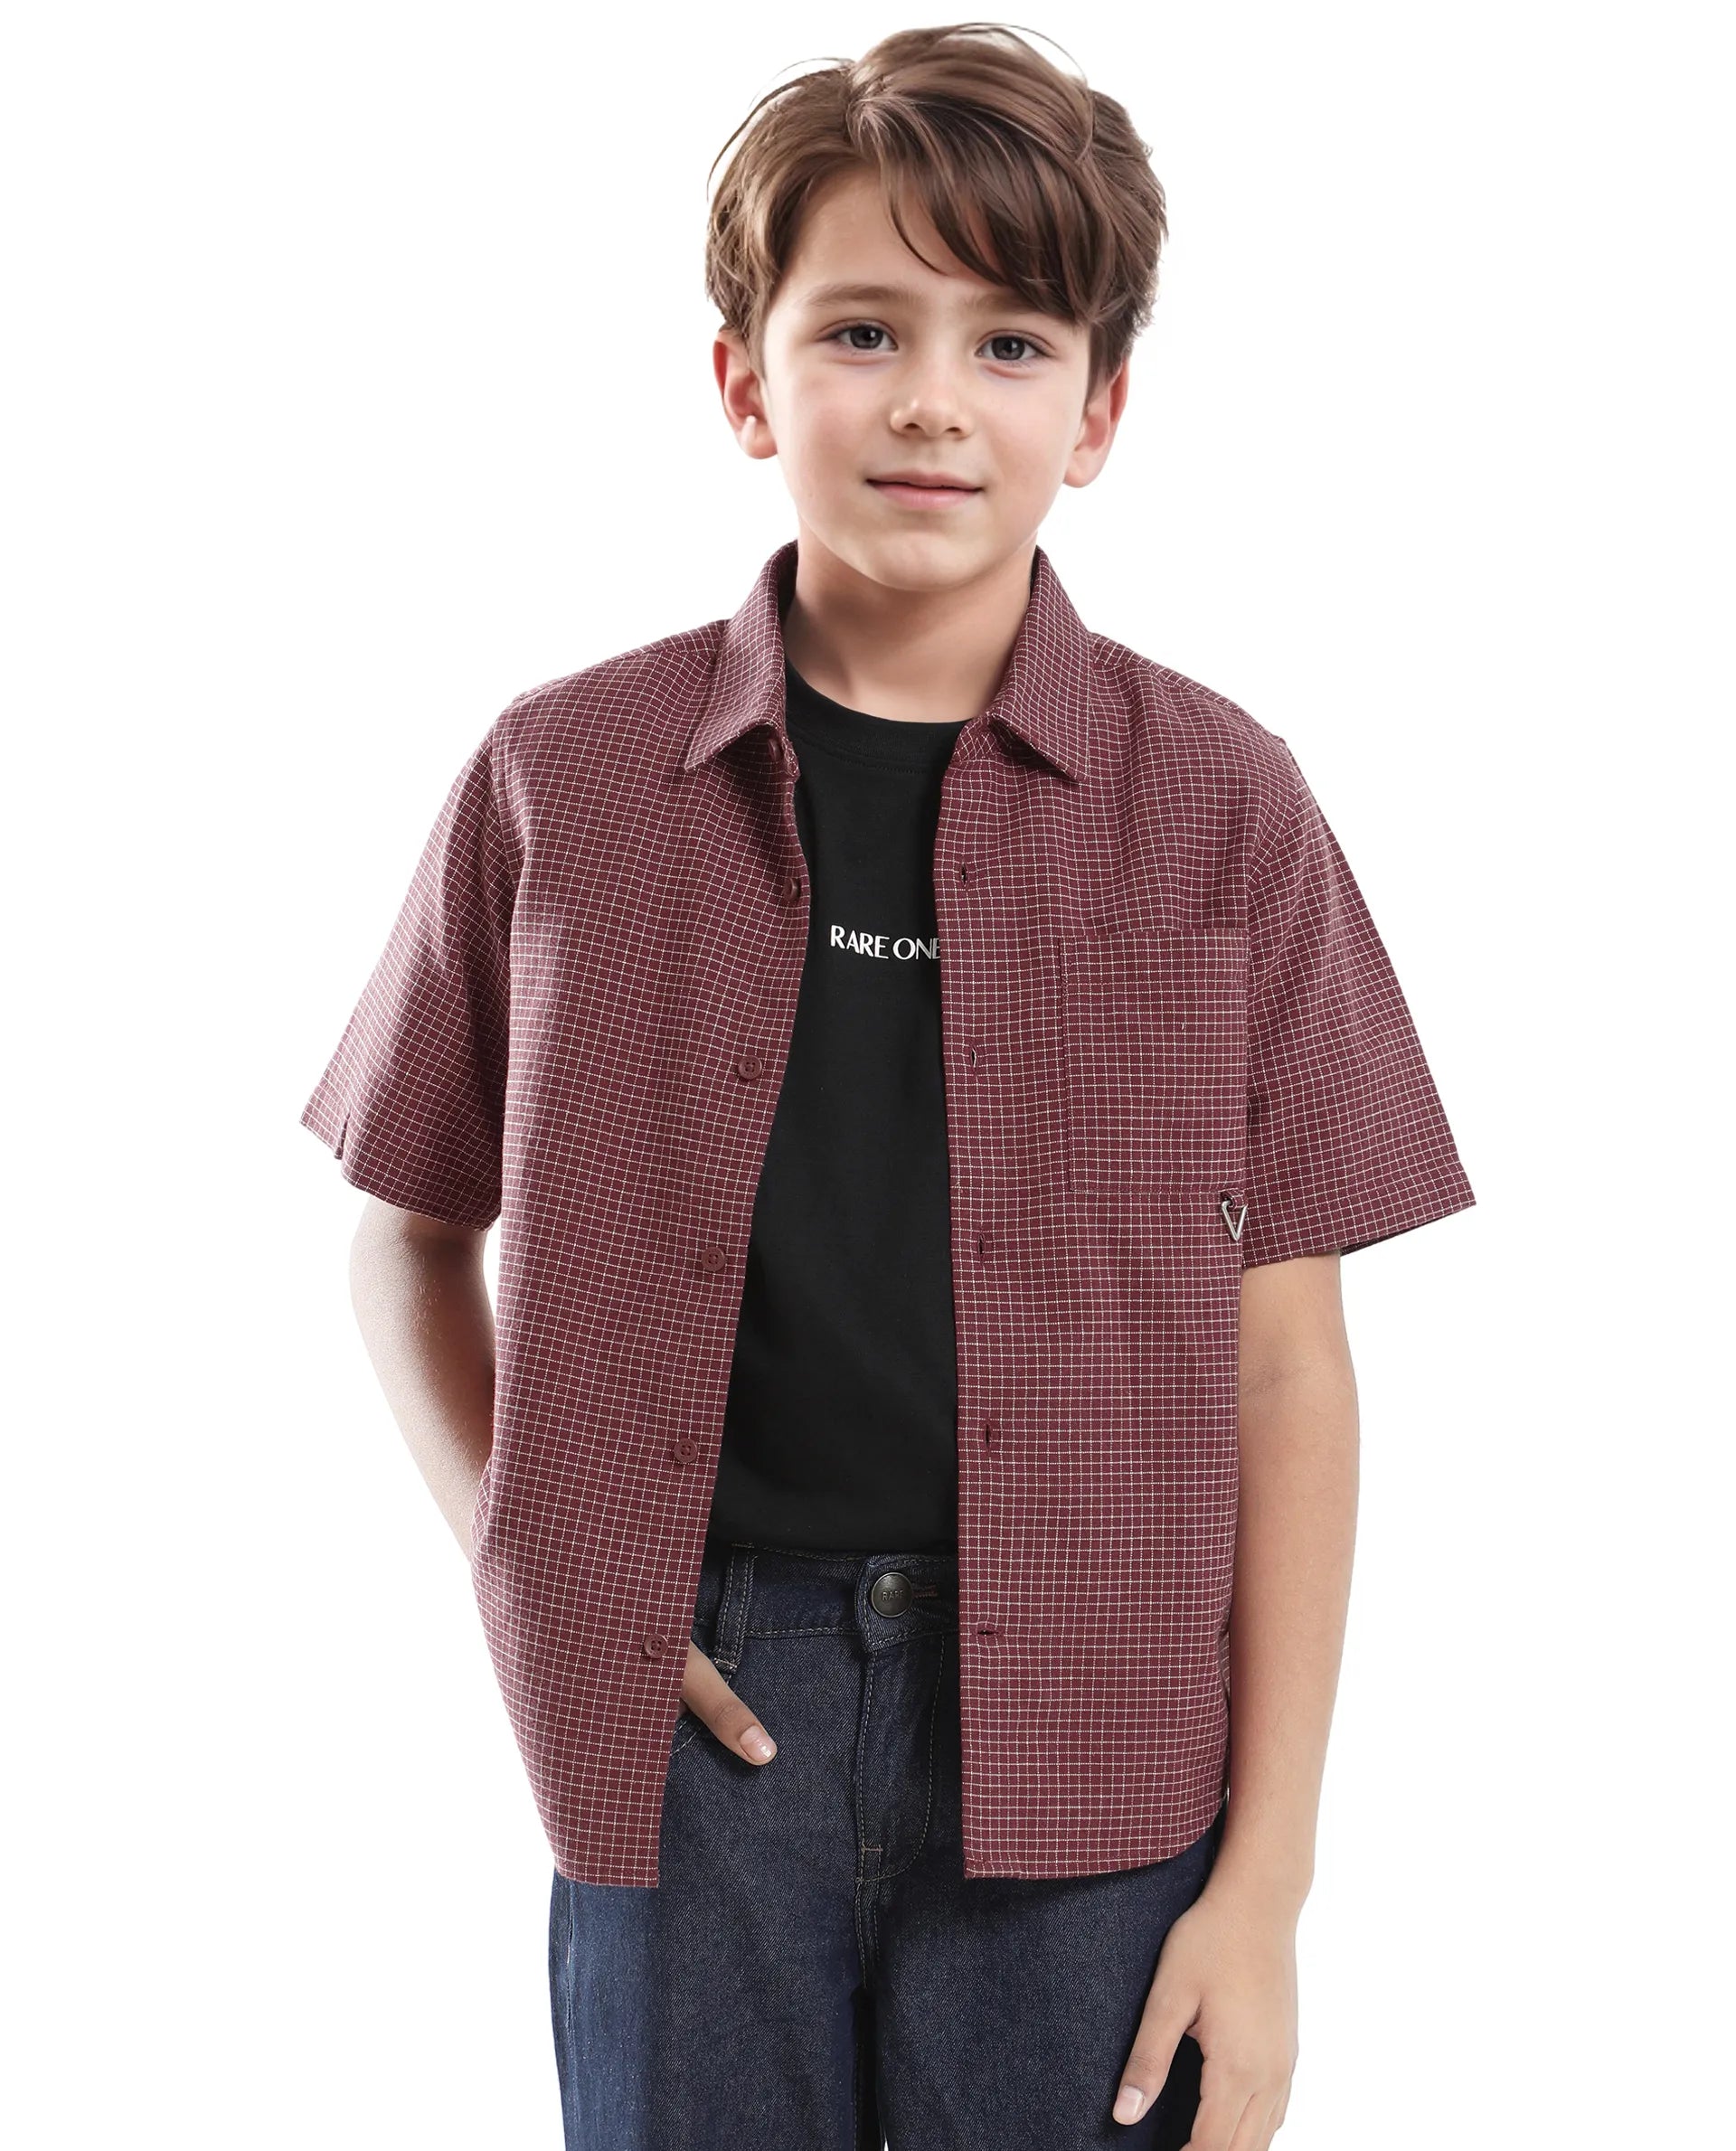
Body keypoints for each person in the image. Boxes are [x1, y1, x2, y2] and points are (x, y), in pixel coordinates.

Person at [298, 24, 1476, 2149]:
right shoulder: (564, 779)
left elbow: (1288, 1358)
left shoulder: (1224, 803)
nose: (934, 398)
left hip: (1104, 1723)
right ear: (744, 380)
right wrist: (542, 1577)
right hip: (697, 1723)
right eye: (863, 329)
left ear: (1097, 412)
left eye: (1010, 342)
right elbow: (404, 1233)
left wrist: (1269, 1886)